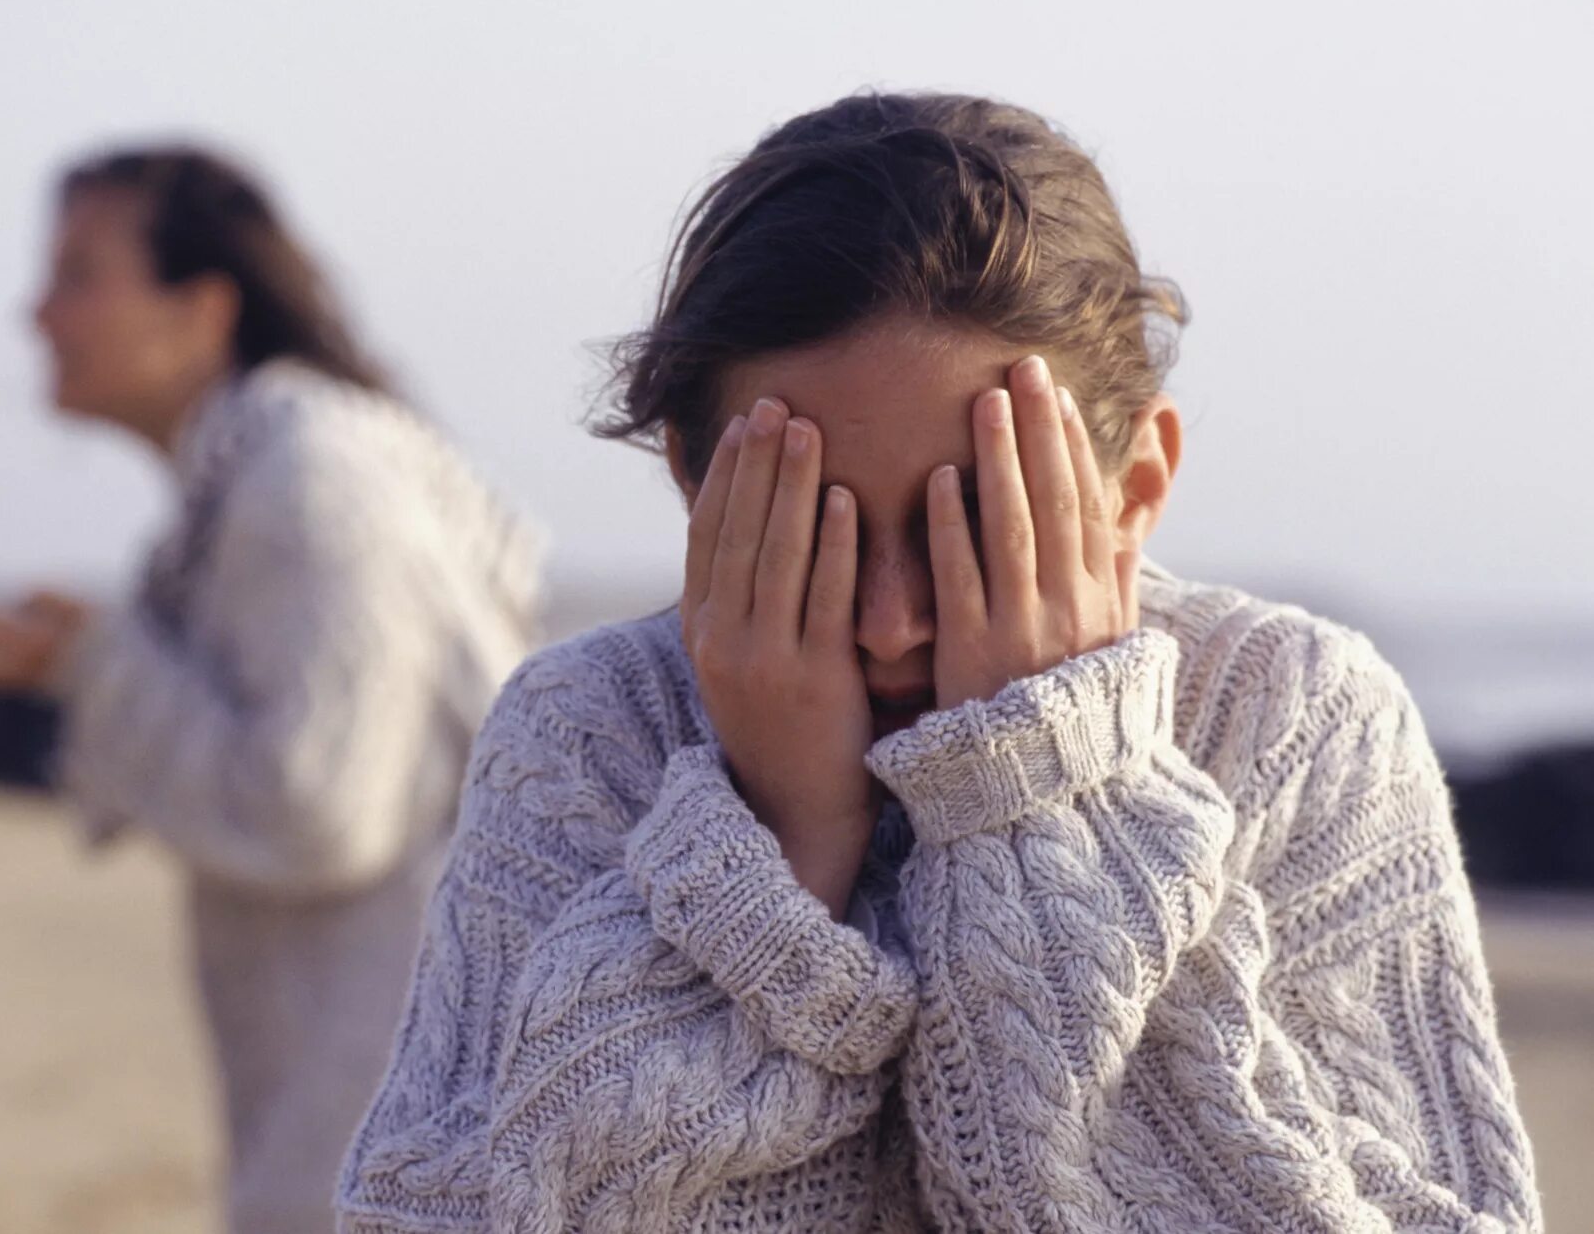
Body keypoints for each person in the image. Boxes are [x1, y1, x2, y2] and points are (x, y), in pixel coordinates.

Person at [337, 92, 1542, 1232]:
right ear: (695, 481)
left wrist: (1048, 799)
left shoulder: (1291, 717)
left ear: (1138, 486)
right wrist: (775, 850)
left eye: (974, 523)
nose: (899, 620)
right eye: (825, 528)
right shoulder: (592, 728)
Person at [0, 145, 541, 1233]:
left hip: (399, 1115)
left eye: (78, 275)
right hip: (379, 1096)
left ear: (204, 309)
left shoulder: (311, 476)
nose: (38, 315)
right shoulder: (256, 476)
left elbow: (317, 808)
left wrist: (98, 665)